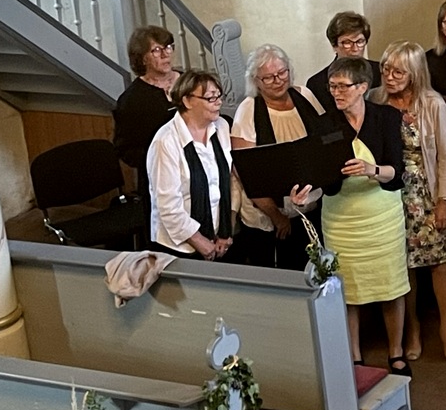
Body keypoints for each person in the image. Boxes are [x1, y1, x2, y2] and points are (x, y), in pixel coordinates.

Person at [289, 56, 408, 369]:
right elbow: (319, 181)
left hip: (382, 215)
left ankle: (396, 352)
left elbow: (396, 174)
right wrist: (304, 197)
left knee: (390, 285)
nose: (337, 93)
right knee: (348, 288)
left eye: (343, 86)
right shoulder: (323, 124)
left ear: (363, 87)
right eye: (332, 86)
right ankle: (353, 356)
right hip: (342, 219)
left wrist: (372, 169)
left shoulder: (386, 117)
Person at [375, 41, 446, 365]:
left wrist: (444, 200)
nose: (390, 76)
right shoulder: (375, 100)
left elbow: (444, 157)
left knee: (439, 261)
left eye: (398, 71)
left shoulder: (432, 103)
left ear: (414, 73)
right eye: (386, 69)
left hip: (428, 191)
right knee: (404, 264)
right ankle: (412, 328)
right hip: (390, 195)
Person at [229, 45, 326, 269]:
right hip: (270, 216)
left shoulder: (304, 96)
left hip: (312, 208)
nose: (278, 80)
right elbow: (246, 171)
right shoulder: (249, 109)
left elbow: (323, 143)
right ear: (256, 81)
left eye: (282, 73)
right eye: (269, 77)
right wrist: (275, 214)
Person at [147, 70, 235, 261]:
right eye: (211, 98)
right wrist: (199, 241)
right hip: (178, 246)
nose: (219, 102)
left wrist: (225, 232)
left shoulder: (221, 127)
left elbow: (227, 182)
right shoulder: (165, 141)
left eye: (219, 96)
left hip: (216, 236)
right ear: (187, 101)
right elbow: (168, 207)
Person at [114, 25, 179, 200]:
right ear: (142, 59)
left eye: (168, 47)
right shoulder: (131, 100)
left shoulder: (189, 82)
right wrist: (161, 158)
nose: (166, 54)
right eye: (156, 50)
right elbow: (126, 149)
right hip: (160, 179)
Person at [307, 11, 380, 108]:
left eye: (359, 41)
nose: (355, 49)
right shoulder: (317, 84)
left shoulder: (380, 72)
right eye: (347, 42)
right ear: (334, 45)